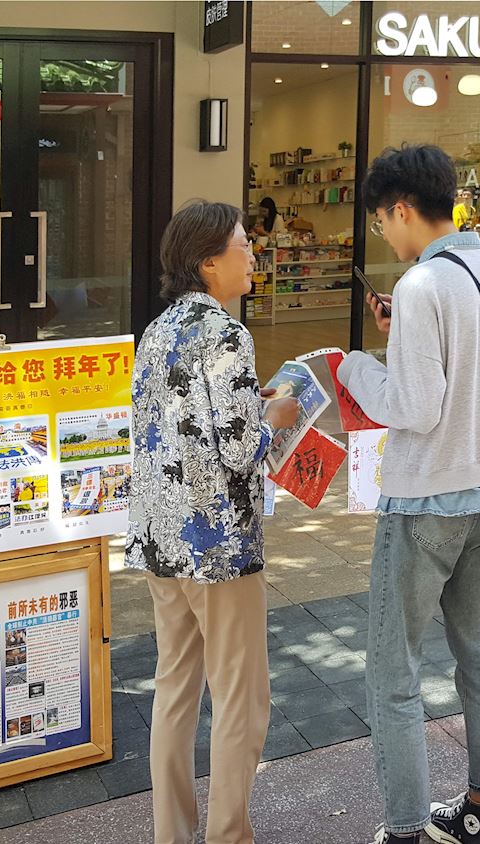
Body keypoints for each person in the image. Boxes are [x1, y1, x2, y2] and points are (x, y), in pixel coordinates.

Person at [338, 144, 480, 844]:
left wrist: (354, 366)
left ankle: (406, 830)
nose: (384, 236)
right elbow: (476, 364)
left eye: (382, 222)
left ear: (401, 208)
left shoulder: (421, 287)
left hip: (422, 505)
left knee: (394, 672)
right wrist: (404, 334)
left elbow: (412, 406)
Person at [125, 200, 301, 844]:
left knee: (175, 690)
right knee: (240, 698)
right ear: (208, 263)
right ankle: (228, 836)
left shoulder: (158, 330)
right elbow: (235, 446)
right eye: (242, 245)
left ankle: (172, 833)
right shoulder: (228, 334)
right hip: (219, 545)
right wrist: (275, 416)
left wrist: (245, 411)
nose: (252, 252)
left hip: (159, 536)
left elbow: (175, 428)